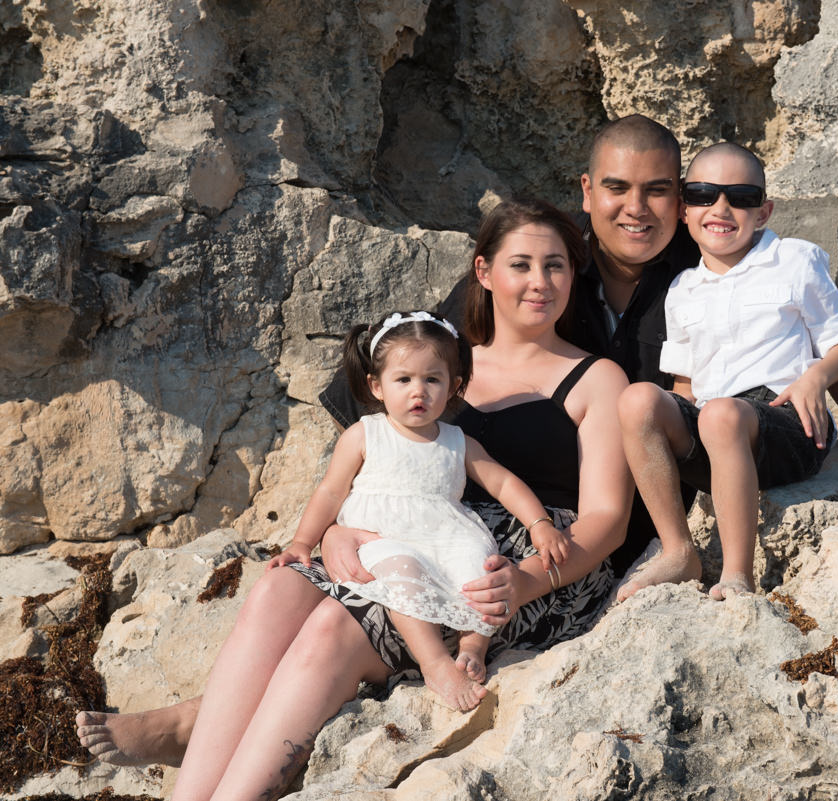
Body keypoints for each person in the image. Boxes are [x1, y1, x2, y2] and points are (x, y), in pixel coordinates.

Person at [77, 115, 838, 770]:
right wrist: (352, 518)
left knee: (342, 625)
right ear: (585, 194)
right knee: (298, 584)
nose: (640, 210)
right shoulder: (539, 261)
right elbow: (393, 388)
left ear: (690, 196)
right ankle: (205, 725)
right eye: (618, 190)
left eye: (661, 191)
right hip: (461, 511)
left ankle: (208, 725)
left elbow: (832, 346)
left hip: (591, 531)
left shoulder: (712, 263)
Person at [78, 199, 631, 799]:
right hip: (406, 535)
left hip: (514, 568)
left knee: (330, 630)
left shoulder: (597, 377)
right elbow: (378, 469)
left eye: (556, 265)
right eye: (520, 263)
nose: (539, 281)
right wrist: (337, 531)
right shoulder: (433, 359)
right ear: (483, 271)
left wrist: (523, 581)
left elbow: (608, 521)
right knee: (279, 590)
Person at [268, 309, 571, 711]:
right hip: (382, 536)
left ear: (453, 387)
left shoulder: (457, 441)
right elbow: (330, 491)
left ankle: (474, 647)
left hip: (444, 532)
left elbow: (502, 482)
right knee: (402, 573)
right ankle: (435, 663)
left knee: (482, 568)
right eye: (404, 379)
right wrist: (303, 542)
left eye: (432, 380)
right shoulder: (366, 434)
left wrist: (539, 524)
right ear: (376, 386)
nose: (419, 392)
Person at [618, 142, 838, 600]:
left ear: (764, 211)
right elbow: (685, 385)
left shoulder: (795, 260)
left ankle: (737, 573)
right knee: (638, 399)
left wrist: (815, 376)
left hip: (786, 426)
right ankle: (678, 550)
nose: (721, 207)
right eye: (704, 194)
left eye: (741, 197)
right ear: (684, 210)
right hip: (716, 432)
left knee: (722, 415)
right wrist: (673, 426)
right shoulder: (683, 289)